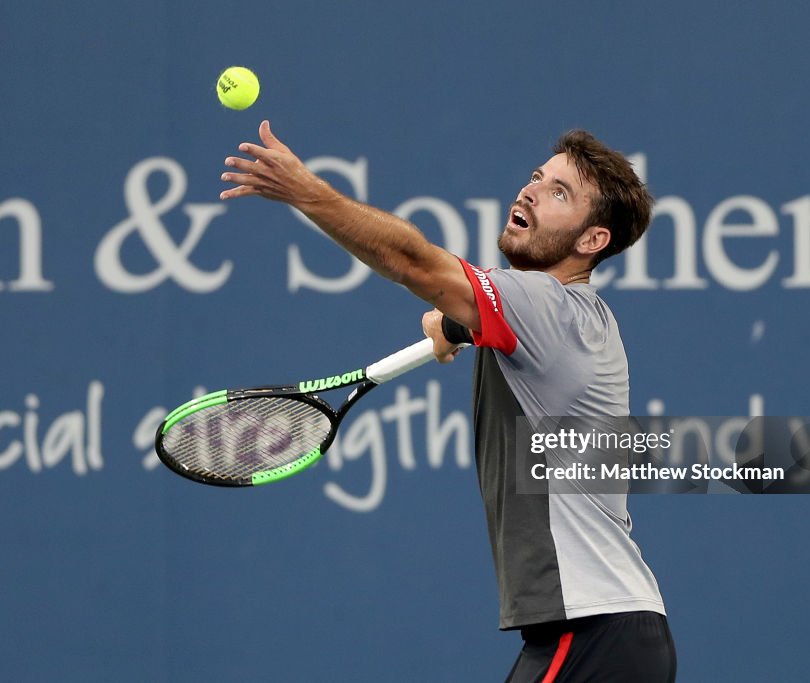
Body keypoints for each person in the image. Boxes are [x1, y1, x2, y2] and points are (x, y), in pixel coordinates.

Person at [221, 121, 676, 682]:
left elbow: (413, 261)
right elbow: (489, 321)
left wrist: (304, 191)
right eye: (537, 177)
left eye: (560, 193)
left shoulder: (545, 305)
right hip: (605, 632)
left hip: (591, 633)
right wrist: (460, 327)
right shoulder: (572, 317)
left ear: (592, 241)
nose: (529, 191)